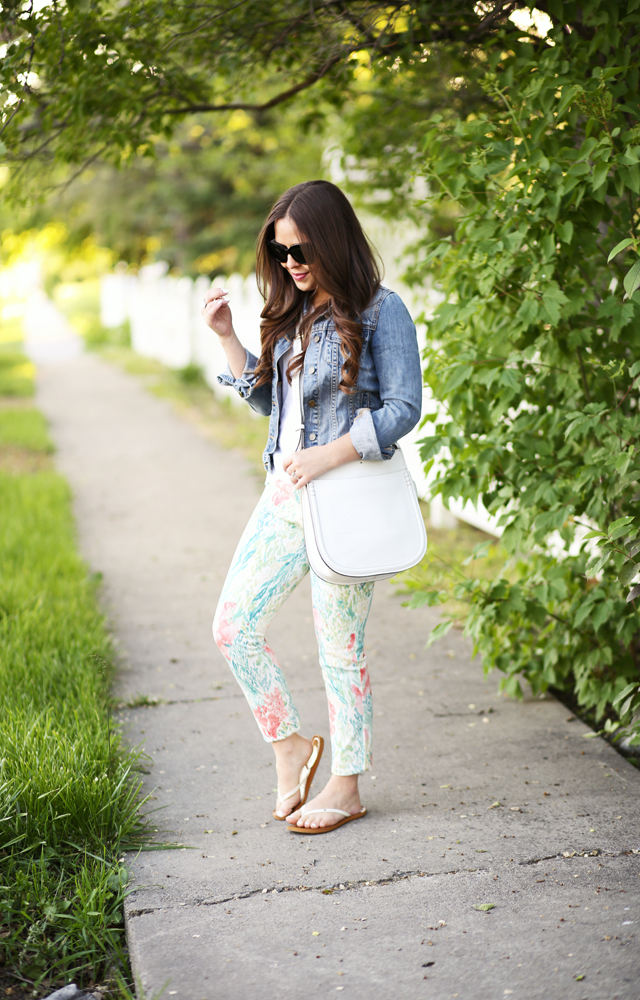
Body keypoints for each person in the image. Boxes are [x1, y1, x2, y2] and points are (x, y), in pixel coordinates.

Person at [203, 180, 422, 833]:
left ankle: (347, 786)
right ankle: (291, 747)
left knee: (340, 648)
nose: (292, 263)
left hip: (344, 495)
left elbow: (404, 408)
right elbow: (271, 404)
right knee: (232, 628)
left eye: (301, 249)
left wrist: (332, 455)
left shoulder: (384, 312)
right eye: (281, 252)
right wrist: (227, 337)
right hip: (286, 494)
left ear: (332, 240)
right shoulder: (294, 313)